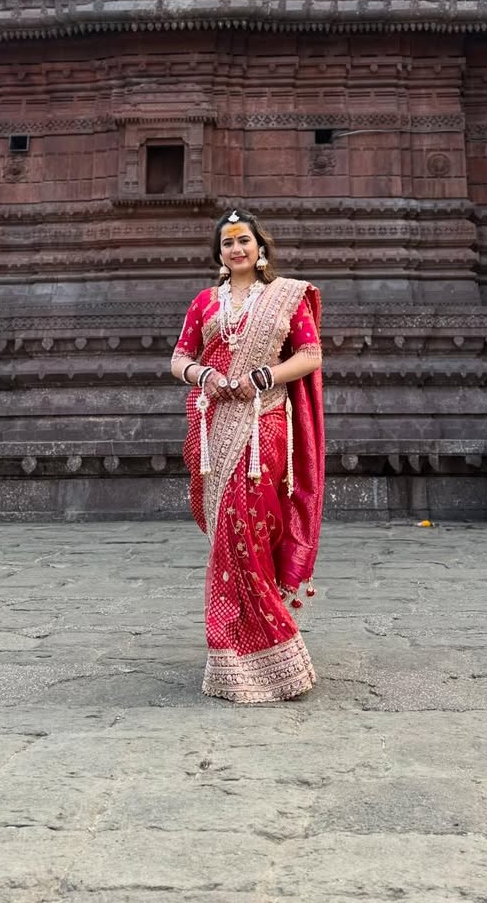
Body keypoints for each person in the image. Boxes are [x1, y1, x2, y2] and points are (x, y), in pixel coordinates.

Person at [171, 209, 325, 704]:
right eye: (227, 243)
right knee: (227, 536)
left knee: (253, 526)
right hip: (218, 427)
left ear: (261, 248)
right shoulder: (203, 302)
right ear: (219, 255)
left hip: (266, 428)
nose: (236, 249)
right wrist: (205, 377)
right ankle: (233, 648)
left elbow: (311, 354)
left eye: (244, 241)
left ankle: (269, 642)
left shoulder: (288, 296)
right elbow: (179, 358)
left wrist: (265, 376)